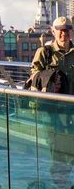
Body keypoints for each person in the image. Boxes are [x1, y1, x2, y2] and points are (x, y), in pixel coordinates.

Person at [31, 16, 74, 187]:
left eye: (67, 30)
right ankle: (59, 184)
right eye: (61, 30)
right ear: (53, 31)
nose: (64, 34)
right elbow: (34, 75)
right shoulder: (45, 53)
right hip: (51, 112)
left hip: (71, 111)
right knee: (56, 151)